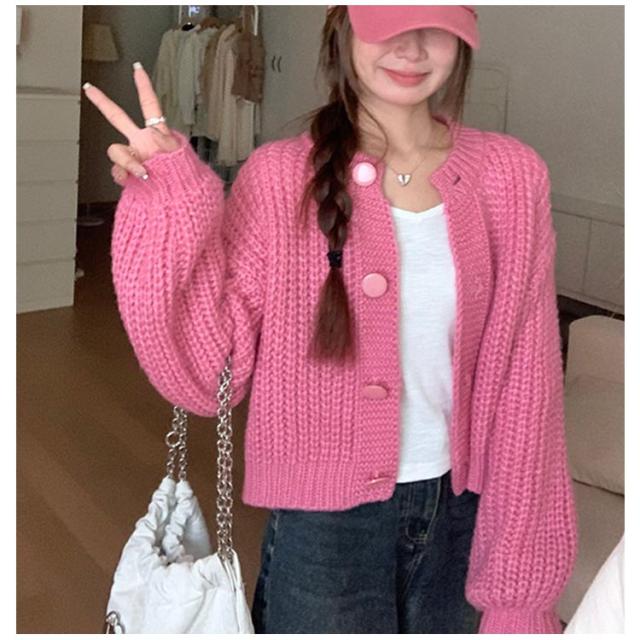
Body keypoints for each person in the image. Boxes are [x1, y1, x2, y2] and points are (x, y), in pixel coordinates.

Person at [83, 5, 578, 634]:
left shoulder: (510, 177)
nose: (412, 47)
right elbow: (210, 377)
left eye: (434, 24)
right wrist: (171, 207)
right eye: (388, 20)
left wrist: (522, 596)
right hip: (324, 526)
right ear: (343, 28)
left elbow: (528, 386)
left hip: (462, 511)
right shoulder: (279, 179)